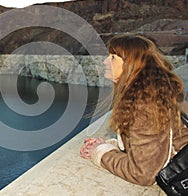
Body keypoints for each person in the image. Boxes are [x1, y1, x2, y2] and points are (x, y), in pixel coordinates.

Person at [80, 35, 188, 186]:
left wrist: (100, 152)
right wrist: (111, 145)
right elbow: (152, 144)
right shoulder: (153, 93)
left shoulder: (145, 106)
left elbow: (143, 173)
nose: (105, 61)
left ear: (130, 64)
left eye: (112, 58)